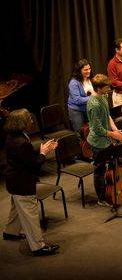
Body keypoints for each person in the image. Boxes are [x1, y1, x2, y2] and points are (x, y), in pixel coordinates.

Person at [2, 108, 59, 256]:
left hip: (13, 181)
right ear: (23, 122)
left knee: (16, 207)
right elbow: (33, 164)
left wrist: (40, 151)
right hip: (22, 183)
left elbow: (24, 158)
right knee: (30, 214)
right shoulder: (21, 142)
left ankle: (10, 232)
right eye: (29, 118)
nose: (32, 120)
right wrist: (43, 153)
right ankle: (38, 246)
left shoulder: (12, 136)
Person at [87, 74, 122, 207]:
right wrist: (114, 135)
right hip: (98, 142)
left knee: (117, 162)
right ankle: (102, 197)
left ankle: (114, 190)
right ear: (98, 88)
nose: (109, 88)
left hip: (108, 139)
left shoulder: (104, 96)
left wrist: (115, 129)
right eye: (106, 87)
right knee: (100, 170)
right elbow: (97, 129)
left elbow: (107, 115)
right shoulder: (93, 104)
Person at [68, 59, 95, 132]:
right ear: (79, 70)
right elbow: (78, 100)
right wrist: (93, 97)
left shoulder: (91, 79)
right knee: (81, 132)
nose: (88, 71)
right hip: (76, 110)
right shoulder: (73, 83)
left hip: (88, 109)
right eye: (85, 70)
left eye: (89, 69)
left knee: (91, 131)